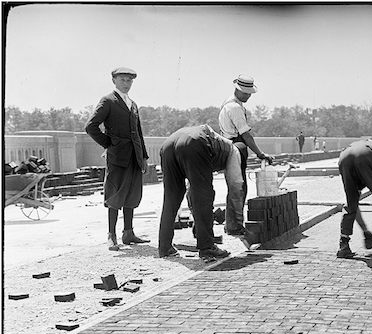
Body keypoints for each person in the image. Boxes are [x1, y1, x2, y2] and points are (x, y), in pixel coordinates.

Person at [85, 67, 150, 251]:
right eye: (123, 80)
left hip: (134, 157)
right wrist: (109, 144)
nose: (126, 83)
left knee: (132, 193)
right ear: (114, 80)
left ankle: (128, 233)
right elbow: (91, 127)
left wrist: (143, 156)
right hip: (117, 157)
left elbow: (138, 133)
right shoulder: (108, 101)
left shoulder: (133, 104)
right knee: (115, 194)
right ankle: (111, 235)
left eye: (129, 80)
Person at [158, 124, 241, 259]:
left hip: (168, 144)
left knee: (171, 198)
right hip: (194, 143)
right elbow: (235, 186)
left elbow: (192, 191)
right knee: (204, 196)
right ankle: (207, 247)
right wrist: (236, 220)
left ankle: (165, 247)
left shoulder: (215, 140)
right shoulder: (234, 151)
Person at [218, 74, 273, 236]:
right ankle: (234, 226)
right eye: (246, 93)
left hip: (231, 145)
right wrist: (260, 153)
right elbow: (246, 135)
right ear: (238, 90)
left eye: (250, 93)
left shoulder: (230, 103)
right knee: (238, 188)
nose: (249, 96)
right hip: (235, 146)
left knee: (236, 187)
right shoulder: (234, 108)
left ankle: (232, 223)